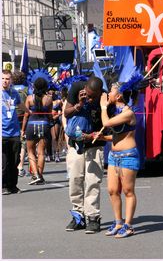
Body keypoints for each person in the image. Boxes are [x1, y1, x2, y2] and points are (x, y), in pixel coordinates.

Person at [63, 76, 106, 233]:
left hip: (95, 144)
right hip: (76, 143)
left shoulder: (104, 98)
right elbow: (66, 113)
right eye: (87, 95)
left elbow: (107, 124)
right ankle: (78, 216)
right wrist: (79, 105)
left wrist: (94, 135)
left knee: (92, 181)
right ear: (85, 88)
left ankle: (93, 217)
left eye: (92, 96)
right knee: (75, 179)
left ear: (99, 93)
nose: (89, 98)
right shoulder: (76, 88)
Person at [100, 82, 139, 238]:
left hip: (128, 155)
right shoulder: (115, 111)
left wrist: (103, 107)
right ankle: (118, 222)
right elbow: (116, 136)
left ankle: (129, 225)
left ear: (118, 96)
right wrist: (103, 137)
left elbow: (107, 123)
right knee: (112, 190)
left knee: (128, 191)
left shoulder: (127, 113)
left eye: (111, 91)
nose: (108, 94)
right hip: (114, 156)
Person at [22, 75, 53, 185]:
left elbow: (26, 115)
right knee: (41, 153)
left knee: (30, 151)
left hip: (31, 125)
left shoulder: (30, 98)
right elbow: (50, 116)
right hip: (44, 125)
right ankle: (40, 175)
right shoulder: (49, 99)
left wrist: (23, 130)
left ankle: (35, 174)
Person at [2, 69, 22, 195]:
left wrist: (29, 111)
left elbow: (20, 105)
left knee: (15, 161)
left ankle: (13, 186)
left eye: (7, 79)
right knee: (4, 162)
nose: (5, 81)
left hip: (14, 132)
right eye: (3, 78)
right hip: (2, 133)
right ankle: (3, 185)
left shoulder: (14, 93)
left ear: (11, 80)